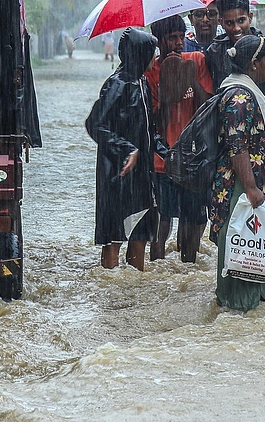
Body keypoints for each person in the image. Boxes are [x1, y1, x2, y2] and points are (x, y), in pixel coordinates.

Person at [209, 35, 265, 311]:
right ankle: (239, 311)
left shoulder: (242, 91)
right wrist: (252, 188)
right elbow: (236, 145)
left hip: (244, 185)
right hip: (240, 187)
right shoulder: (241, 97)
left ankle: (246, 309)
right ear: (254, 64)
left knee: (249, 250)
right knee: (242, 250)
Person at [85, 28, 167, 271]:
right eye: (152, 52)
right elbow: (95, 124)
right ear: (139, 54)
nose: (155, 57)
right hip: (117, 173)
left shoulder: (141, 82)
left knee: (140, 229)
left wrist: (166, 152)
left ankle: (135, 288)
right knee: (114, 235)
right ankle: (111, 286)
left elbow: (148, 128)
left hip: (141, 173)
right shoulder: (116, 84)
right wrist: (125, 149)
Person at [145, 15, 213, 262]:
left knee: (193, 219)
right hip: (162, 160)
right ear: (159, 41)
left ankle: (189, 266)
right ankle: (157, 268)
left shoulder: (196, 60)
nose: (177, 43)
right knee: (162, 219)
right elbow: (153, 123)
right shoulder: (151, 72)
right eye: (171, 38)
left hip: (193, 158)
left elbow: (208, 107)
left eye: (180, 37)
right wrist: (168, 89)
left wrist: (189, 78)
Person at [205, 0, 265, 133]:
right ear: (220, 21)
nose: (236, 28)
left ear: (250, 17)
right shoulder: (215, 53)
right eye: (229, 23)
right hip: (229, 132)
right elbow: (212, 97)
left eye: (241, 21)